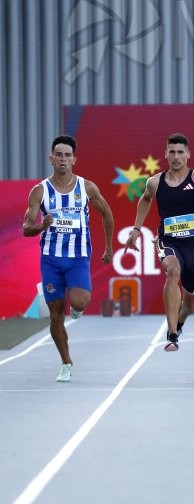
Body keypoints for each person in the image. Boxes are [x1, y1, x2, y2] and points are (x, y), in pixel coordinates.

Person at [22, 135, 114, 382]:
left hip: (78, 257)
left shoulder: (87, 187)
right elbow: (25, 228)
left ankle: (77, 307)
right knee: (55, 315)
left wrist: (108, 247)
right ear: (51, 158)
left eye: (67, 155)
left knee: (80, 300)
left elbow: (106, 213)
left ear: (74, 159)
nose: (63, 159)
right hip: (51, 258)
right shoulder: (40, 191)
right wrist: (43, 226)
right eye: (58, 155)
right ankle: (66, 361)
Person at [124, 133, 194, 352]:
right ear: (165, 153)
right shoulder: (155, 182)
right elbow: (145, 199)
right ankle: (172, 333)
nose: (176, 157)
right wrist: (137, 229)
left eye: (180, 152)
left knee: (190, 305)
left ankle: (180, 322)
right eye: (172, 152)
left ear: (188, 154)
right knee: (172, 271)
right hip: (168, 241)